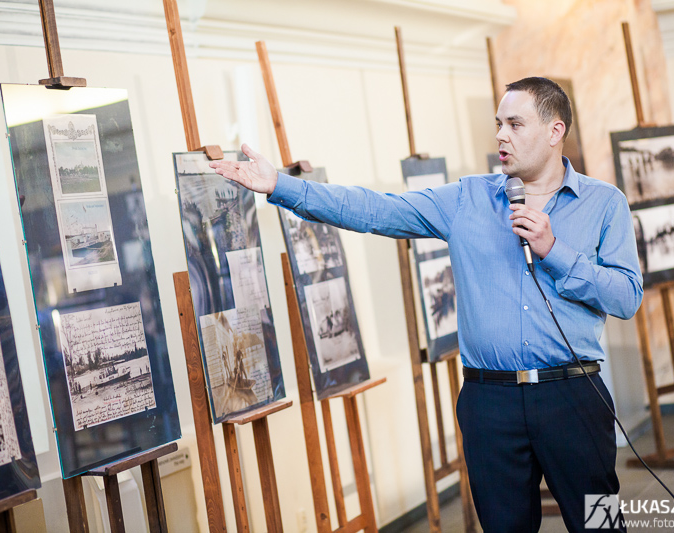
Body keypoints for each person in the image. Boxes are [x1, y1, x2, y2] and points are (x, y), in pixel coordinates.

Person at [210, 77, 642, 532]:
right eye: (498, 124)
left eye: (515, 124)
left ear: (556, 131)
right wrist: (280, 185)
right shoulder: (467, 199)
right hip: (489, 405)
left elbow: (626, 297)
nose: (501, 135)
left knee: (601, 524)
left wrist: (554, 250)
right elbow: (375, 210)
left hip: (574, 397)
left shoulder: (605, 204)